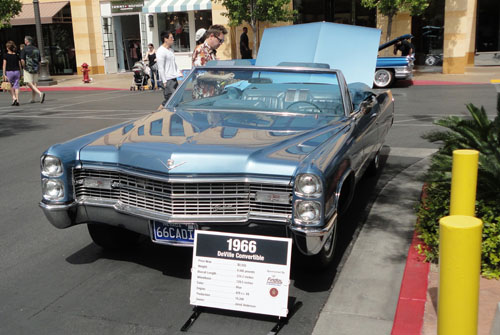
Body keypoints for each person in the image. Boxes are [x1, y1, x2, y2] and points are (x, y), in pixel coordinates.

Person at [156, 30, 180, 106]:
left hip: (173, 77)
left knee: (175, 100)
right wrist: (164, 81)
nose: (173, 39)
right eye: (171, 37)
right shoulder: (161, 51)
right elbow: (160, 67)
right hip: (167, 79)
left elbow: (173, 63)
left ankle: (164, 112)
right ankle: (157, 113)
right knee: (171, 100)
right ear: (165, 39)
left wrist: (178, 72)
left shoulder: (171, 50)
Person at [20, 36, 45, 103]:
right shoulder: (36, 49)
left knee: (29, 83)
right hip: (35, 67)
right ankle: (33, 98)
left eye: (25, 40)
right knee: (34, 83)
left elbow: (22, 60)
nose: (24, 41)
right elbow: (39, 61)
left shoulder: (24, 49)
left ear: (27, 41)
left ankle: (40, 93)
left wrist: (23, 67)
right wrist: (39, 69)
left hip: (28, 68)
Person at [2, 41, 22, 106]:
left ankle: (14, 97)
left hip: (9, 72)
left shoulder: (6, 55)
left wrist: (4, 74)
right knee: (16, 86)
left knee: (9, 86)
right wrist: (21, 72)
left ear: (8, 47)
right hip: (16, 71)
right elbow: (19, 64)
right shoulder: (16, 55)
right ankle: (17, 100)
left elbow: (4, 65)